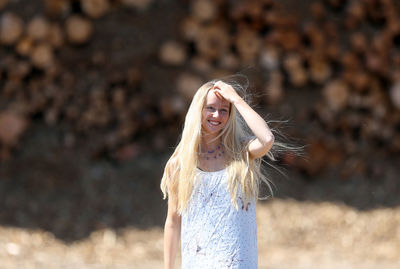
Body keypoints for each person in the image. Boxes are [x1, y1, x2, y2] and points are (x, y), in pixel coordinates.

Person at [160, 78, 278, 269]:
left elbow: (267, 139)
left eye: (224, 110)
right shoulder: (180, 164)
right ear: (198, 110)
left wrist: (236, 100)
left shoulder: (240, 152)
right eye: (211, 108)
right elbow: (173, 222)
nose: (217, 115)